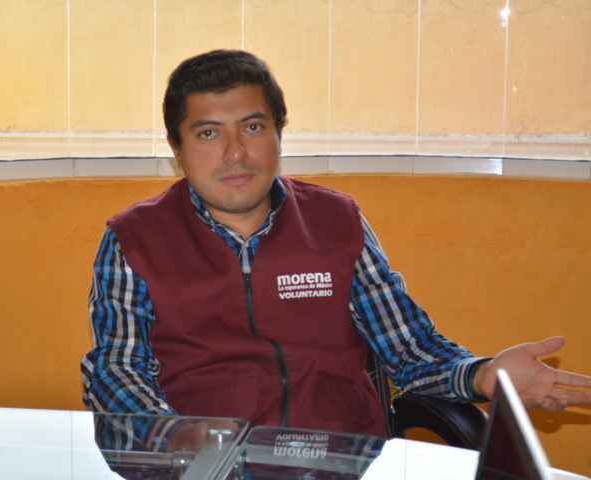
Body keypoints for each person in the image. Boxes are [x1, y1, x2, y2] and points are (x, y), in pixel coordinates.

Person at [81, 49, 591, 437]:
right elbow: (117, 369)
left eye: (253, 127)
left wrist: (483, 376)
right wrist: (177, 438)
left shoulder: (337, 223)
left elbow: (409, 350)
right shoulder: (134, 239)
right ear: (177, 148)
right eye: (209, 134)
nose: (235, 153)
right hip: (202, 467)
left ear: (279, 133)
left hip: (338, 462)